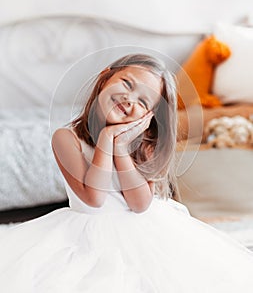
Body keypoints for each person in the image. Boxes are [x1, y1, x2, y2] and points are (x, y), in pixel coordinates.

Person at [0, 53, 252, 293]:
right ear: (104, 79)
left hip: (146, 232)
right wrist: (106, 140)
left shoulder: (144, 145)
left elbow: (140, 204)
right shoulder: (67, 138)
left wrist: (121, 148)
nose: (130, 100)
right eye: (127, 83)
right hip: (86, 232)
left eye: (143, 101)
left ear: (149, 116)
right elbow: (94, 200)